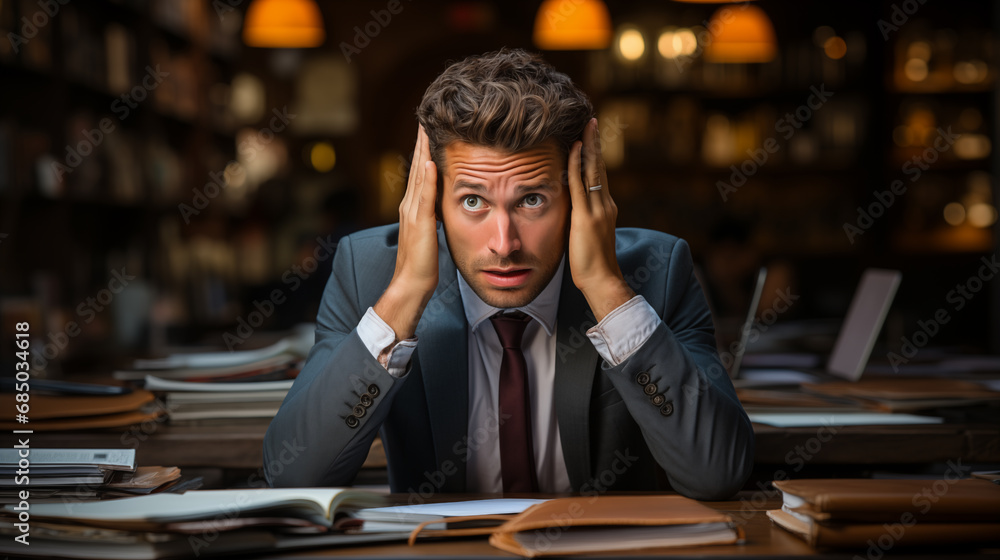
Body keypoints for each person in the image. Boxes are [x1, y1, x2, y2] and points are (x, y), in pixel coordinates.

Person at [263, 49, 754, 500]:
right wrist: (404, 298)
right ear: (433, 202)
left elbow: (717, 472)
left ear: (581, 198)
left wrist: (609, 292)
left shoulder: (658, 272)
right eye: (472, 201)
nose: (504, 243)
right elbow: (294, 476)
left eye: (532, 200)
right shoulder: (368, 273)